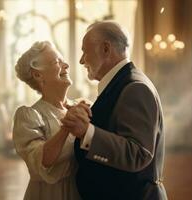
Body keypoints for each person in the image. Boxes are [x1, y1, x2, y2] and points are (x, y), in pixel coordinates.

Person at [61, 21, 168, 199]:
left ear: (105, 49)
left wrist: (87, 132)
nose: (81, 60)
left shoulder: (135, 88)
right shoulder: (122, 82)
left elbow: (138, 153)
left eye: (85, 51)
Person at [12, 41, 87, 200]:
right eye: (57, 62)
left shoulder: (83, 106)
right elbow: (41, 161)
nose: (66, 65)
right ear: (38, 74)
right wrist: (66, 126)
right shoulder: (29, 116)